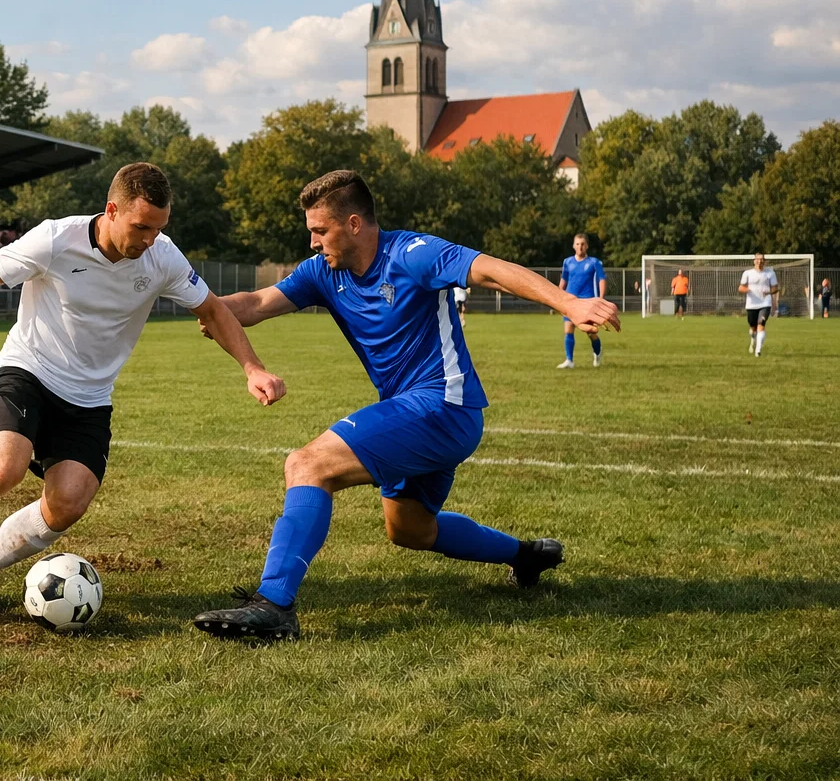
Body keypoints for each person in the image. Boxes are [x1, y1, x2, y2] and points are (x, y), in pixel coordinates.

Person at [0, 162, 286, 621]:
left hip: (89, 397)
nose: (150, 239)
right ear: (111, 210)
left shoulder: (163, 257)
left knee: (68, 503)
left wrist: (253, 368)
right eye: (141, 226)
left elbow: (212, 310)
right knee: (0, 472)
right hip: (29, 370)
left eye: (159, 228)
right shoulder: (55, 239)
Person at [190, 170, 619, 641]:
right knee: (410, 530)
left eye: (320, 230)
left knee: (307, 465)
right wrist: (197, 301)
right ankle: (526, 556)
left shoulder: (413, 254)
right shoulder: (323, 272)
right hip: (415, 414)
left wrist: (569, 304)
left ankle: (274, 605)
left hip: (443, 406)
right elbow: (253, 302)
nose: (312, 242)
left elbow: (490, 269)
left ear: (354, 224)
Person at [557, 233, 606, 368]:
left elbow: (602, 279)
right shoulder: (567, 262)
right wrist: (557, 297)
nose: (580, 247)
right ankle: (569, 361)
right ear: (574, 246)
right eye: (578, 244)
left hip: (587, 301)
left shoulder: (594, 262)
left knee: (591, 333)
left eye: (583, 244)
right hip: (570, 300)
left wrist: (600, 299)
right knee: (568, 329)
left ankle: (597, 352)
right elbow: (564, 281)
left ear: (587, 246)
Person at [739, 253, 779, 357]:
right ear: (754, 261)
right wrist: (748, 290)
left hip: (765, 303)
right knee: (753, 329)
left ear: (764, 261)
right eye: (758, 259)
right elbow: (740, 288)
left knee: (761, 324)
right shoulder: (747, 273)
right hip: (751, 304)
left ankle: (758, 350)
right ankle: (753, 339)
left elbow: (775, 288)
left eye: (762, 259)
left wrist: (769, 293)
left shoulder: (770, 273)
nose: (760, 261)